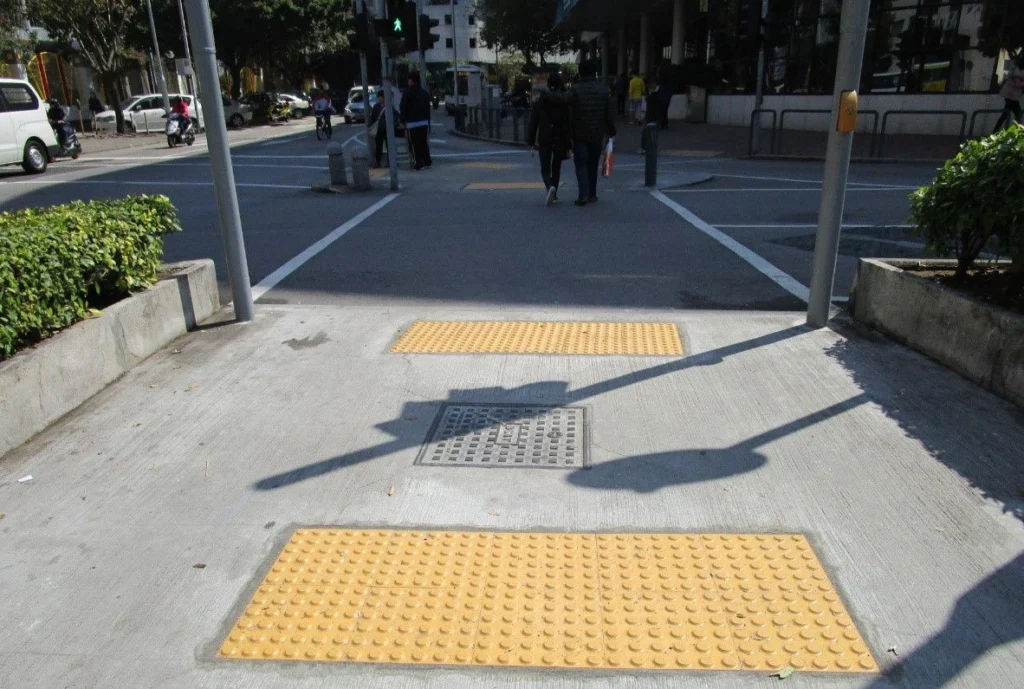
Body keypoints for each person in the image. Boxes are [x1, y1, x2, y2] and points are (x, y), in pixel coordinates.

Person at [569, 59, 616, 207]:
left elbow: (570, 113)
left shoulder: (575, 89)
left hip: (579, 133)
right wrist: (611, 131)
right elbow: (608, 113)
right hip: (597, 132)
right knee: (593, 163)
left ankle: (583, 194)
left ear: (580, 72)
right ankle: (592, 194)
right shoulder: (603, 89)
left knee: (581, 163)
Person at [529, 71, 572, 206]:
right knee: (556, 167)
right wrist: (568, 144)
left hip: (544, 136)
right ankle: (554, 189)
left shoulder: (540, 100)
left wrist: (531, 141)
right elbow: (567, 124)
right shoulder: (563, 101)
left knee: (545, 167)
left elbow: (533, 122)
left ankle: (550, 187)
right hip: (559, 136)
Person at [400, 71, 433, 170]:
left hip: (412, 122)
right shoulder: (424, 93)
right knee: (423, 142)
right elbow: (427, 108)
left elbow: (403, 107)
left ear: (411, 80)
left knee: (414, 144)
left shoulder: (407, 93)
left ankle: (418, 163)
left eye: (408, 80)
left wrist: (402, 120)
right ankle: (427, 161)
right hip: (424, 121)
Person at [993, 56, 1024, 133]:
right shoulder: (1017, 70)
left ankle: (995, 132)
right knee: (1018, 114)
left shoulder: (1019, 70)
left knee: (1005, 115)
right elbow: (1017, 83)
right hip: (1010, 95)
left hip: (1011, 96)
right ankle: (1020, 132)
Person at [640, 79, 670, 155]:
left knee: (654, 132)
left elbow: (664, 102)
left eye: (649, 85)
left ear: (654, 84)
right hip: (649, 114)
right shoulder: (650, 91)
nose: (649, 87)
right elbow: (649, 101)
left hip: (657, 115)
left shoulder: (661, 91)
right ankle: (644, 148)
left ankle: (652, 148)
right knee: (644, 131)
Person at [369, 92, 394, 168]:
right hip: (378, 130)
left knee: (389, 146)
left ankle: (390, 162)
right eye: (378, 97)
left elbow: (396, 115)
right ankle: (377, 162)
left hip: (387, 129)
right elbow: (372, 117)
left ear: (384, 97)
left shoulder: (389, 106)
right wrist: (371, 126)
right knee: (378, 147)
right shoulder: (376, 107)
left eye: (381, 97)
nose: (379, 99)